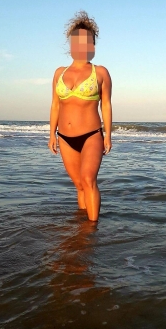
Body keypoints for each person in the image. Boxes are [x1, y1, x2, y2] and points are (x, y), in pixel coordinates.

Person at [48, 11, 112, 222]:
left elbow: (106, 105)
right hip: (65, 137)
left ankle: (92, 230)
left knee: (88, 179)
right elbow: (55, 104)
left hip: (91, 135)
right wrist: (51, 134)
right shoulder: (59, 73)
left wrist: (108, 135)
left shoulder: (100, 72)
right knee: (78, 184)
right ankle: (83, 230)